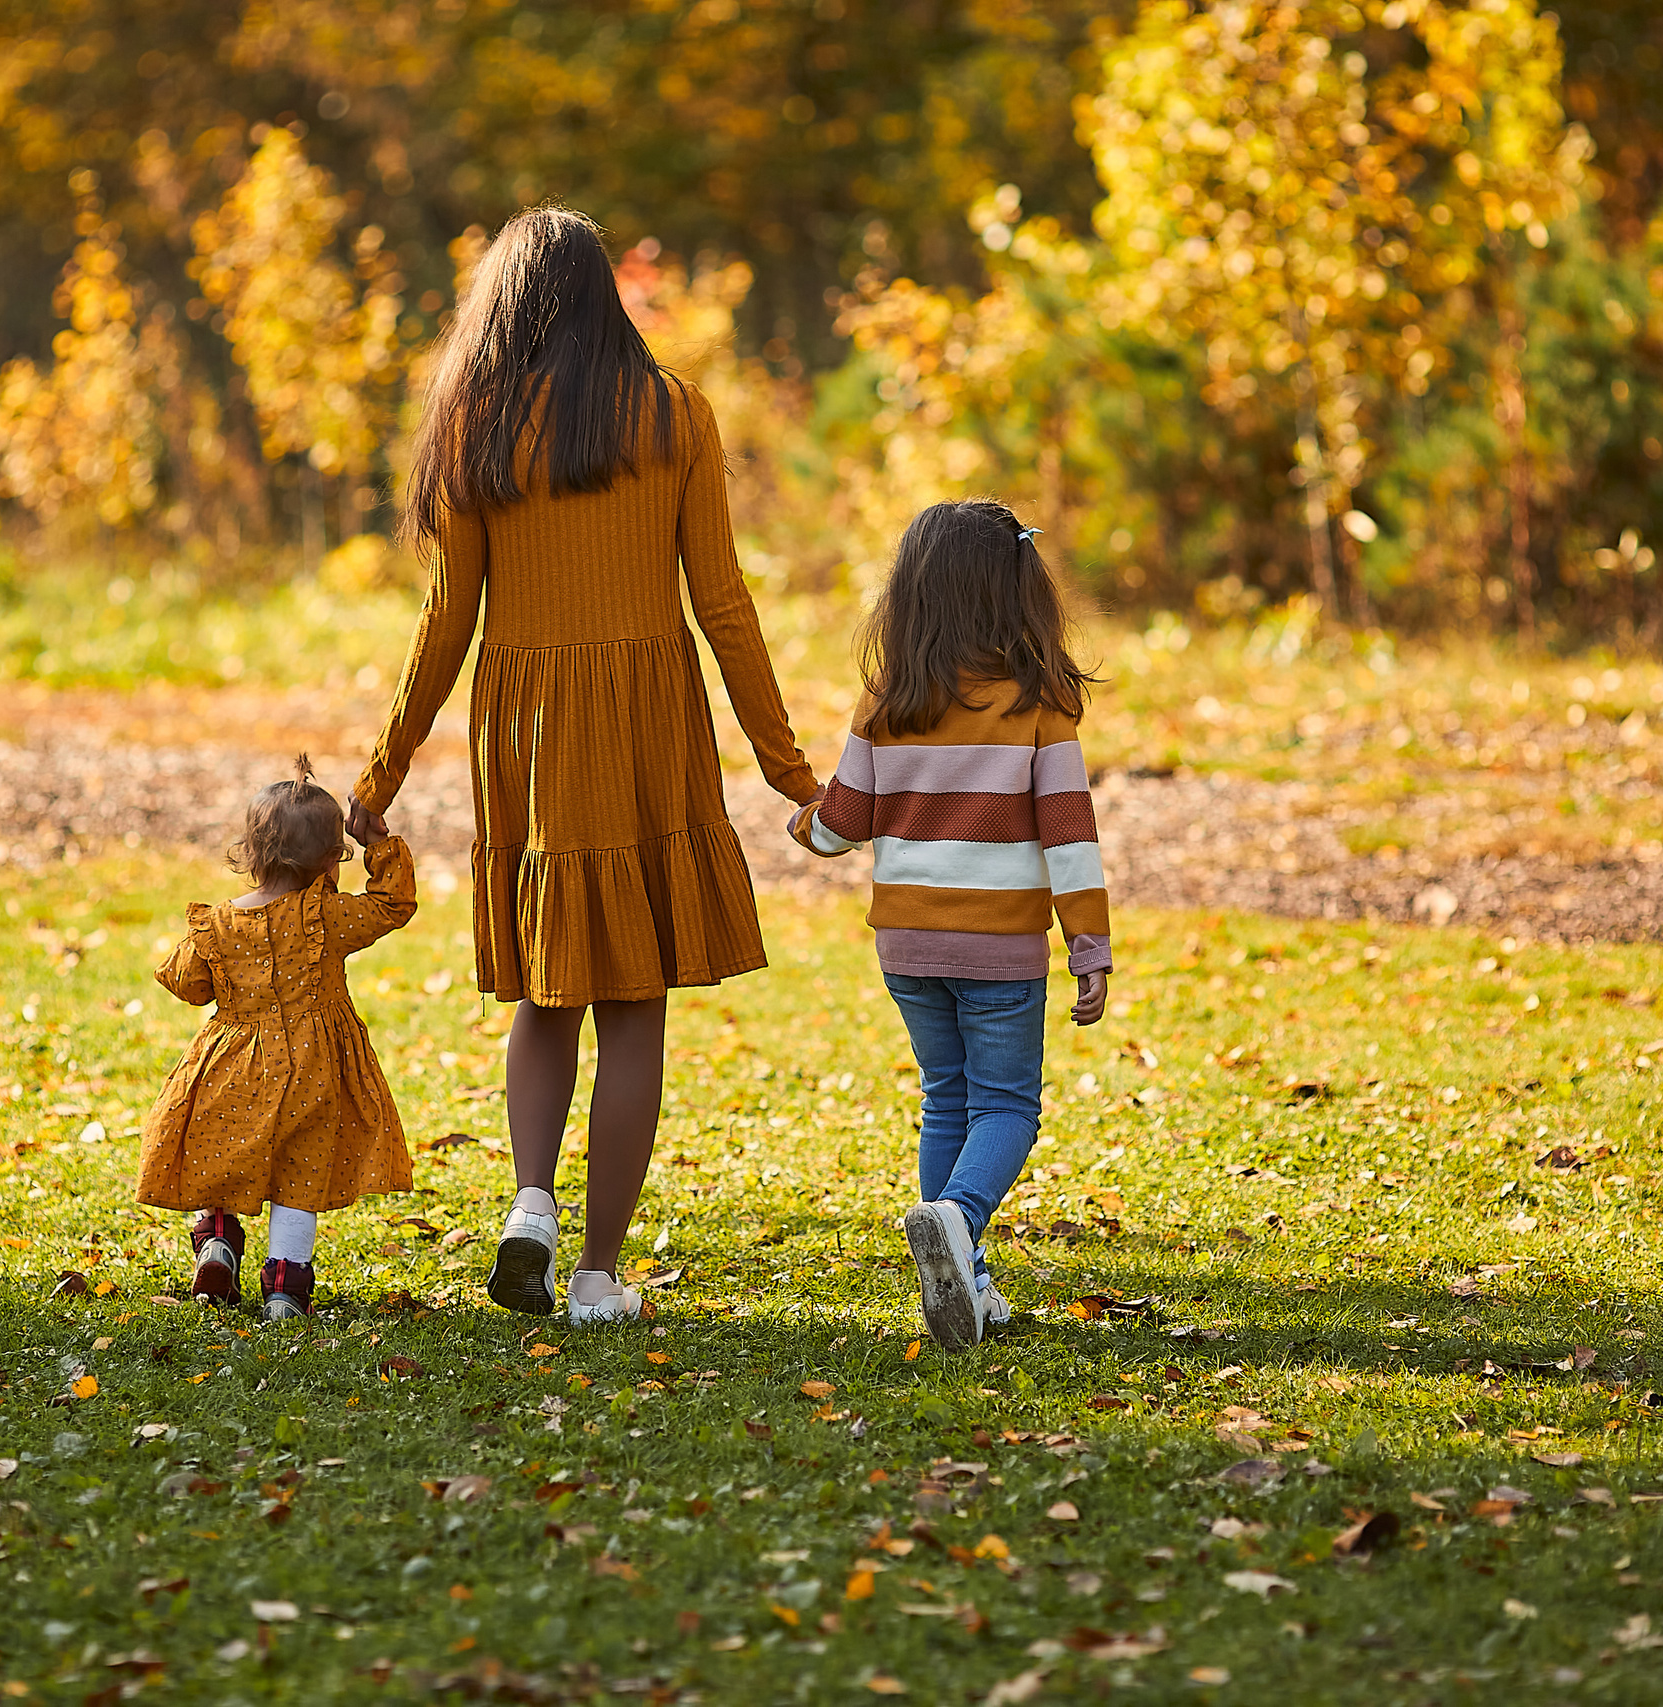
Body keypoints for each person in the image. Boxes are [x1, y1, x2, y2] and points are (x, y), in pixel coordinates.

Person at [346, 206, 819, 1325]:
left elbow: (444, 621)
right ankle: (600, 1275)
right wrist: (791, 772)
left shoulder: (474, 428)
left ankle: (529, 1209)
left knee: (547, 994)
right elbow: (723, 606)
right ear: (606, 295)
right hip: (647, 726)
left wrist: (379, 777)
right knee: (634, 1006)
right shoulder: (676, 415)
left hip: (529, 734)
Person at [788, 500, 1111, 1351]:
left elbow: (843, 821)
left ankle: (963, 1281)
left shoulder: (887, 700)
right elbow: (1069, 836)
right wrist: (1089, 944)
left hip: (907, 944)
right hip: (999, 946)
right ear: (1017, 593)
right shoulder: (1041, 705)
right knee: (1006, 1105)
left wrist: (804, 825)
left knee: (947, 1097)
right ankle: (959, 1221)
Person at [136, 759, 418, 1321]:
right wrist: (379, 846)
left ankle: (217, 1241)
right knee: (300, 1173)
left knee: (222, 1154)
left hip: (231, 1065)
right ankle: (286, 1289)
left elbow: (188, 985)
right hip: (315, 1066)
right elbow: (393, 906)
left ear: (250, 852)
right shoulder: (326, 915)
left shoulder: (216, 923)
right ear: (329, 859)